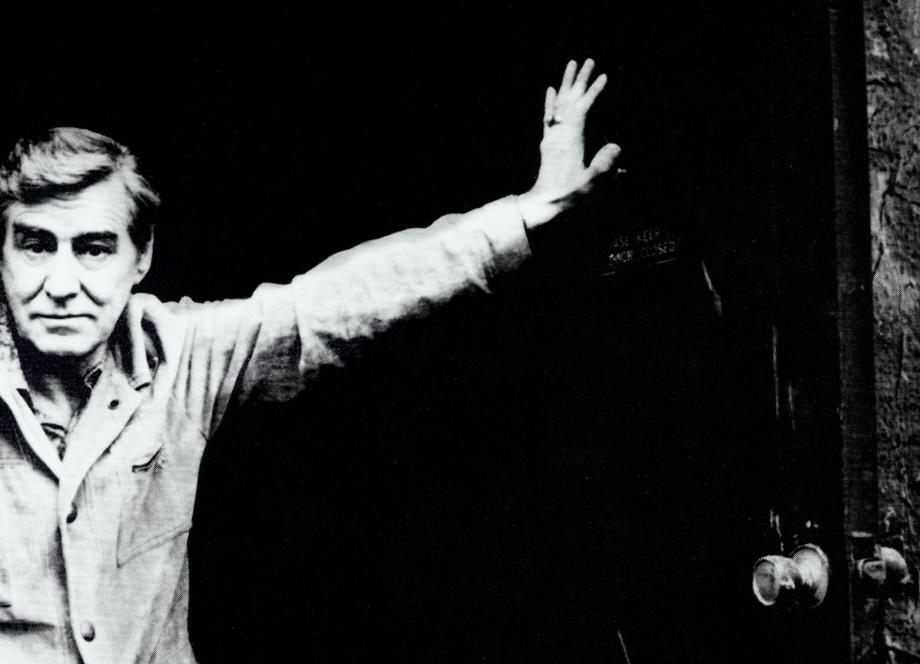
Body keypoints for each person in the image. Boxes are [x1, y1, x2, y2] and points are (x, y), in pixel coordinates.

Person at [0, 59, 620, 663]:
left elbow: (333, 304)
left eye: (94, 249)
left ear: (141, 259)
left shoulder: (176, 355)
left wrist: (528, 213)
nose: (61, 282)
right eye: (35, 245)